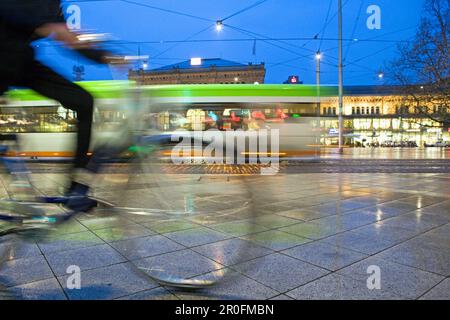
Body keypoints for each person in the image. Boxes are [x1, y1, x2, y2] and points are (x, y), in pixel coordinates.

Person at [0, 0, 113, 211]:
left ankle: (76, 189)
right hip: (7, 56)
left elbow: (69, 38)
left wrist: (106, 56)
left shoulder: (55, 5)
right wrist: (42, 22)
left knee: (84, 101)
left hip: (19, 60)